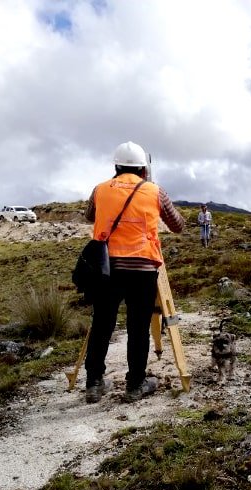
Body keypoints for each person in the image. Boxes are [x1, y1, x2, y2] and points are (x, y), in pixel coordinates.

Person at [83, 141, 185, 403]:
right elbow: (178, 225)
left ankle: (94, 382)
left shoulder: (100, 190)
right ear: (143, 168)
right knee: (138, 327)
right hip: (143, 267)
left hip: (107, 268)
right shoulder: (155, 191)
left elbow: (89, 216)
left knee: (102, 325)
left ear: (116, 166)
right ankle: (135, 385)